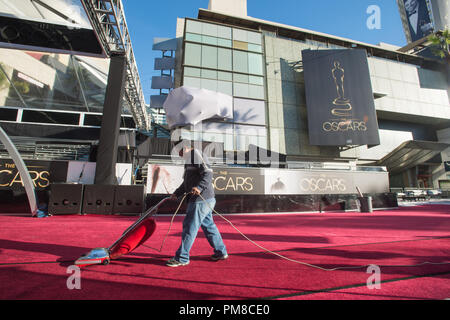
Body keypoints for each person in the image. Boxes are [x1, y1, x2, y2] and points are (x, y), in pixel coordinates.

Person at [166, 140, 228, 267]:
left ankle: (182, 258)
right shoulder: (189, 160)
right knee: (209, 226)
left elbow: (208, 172)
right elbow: (186, 183)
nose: (178, 153)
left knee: (190, 227)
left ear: (186, 147)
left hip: (201, 199)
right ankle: (221, 252)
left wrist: (199, 187)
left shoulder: (196, 154)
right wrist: (176, 193)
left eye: (180, 150)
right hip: (203, 199)